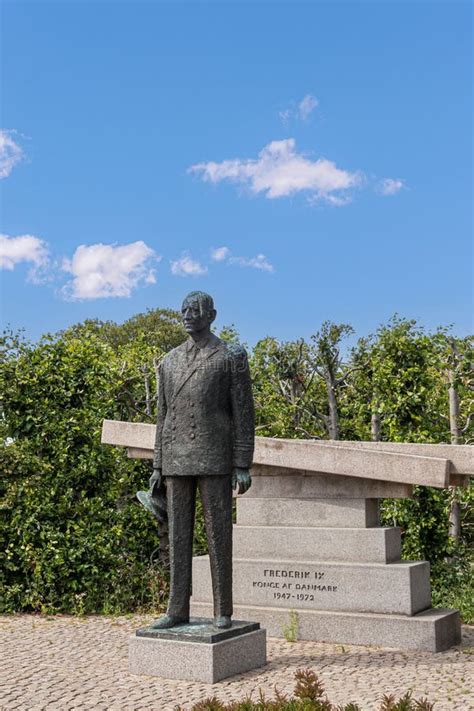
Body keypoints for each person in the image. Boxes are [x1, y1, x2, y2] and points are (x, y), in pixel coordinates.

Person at [137, 291, 254, 629]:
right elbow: (162, 416)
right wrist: (158, 464)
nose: (188, 315)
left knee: (219, 537)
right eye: (184, 310)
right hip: (175, 458)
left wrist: (242, 462)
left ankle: (222, 610)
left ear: (211, 315)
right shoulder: (169, 360)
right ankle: (176, 609)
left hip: (214, 455)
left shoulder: (230, 355)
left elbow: (243, 412)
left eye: (195, 310)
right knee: (178, 539)